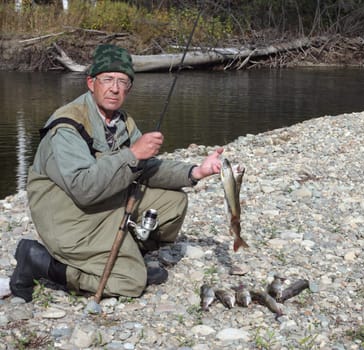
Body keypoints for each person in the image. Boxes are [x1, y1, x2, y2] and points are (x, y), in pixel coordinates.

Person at [9, 44, 223, 302]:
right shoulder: (66, 126)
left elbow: (147, 167)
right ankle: (40, 262)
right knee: (130, 283)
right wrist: (132, 154)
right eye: (107, 79)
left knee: (174, 203)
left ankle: (128, 253)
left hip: (104, 203)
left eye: (123, 81)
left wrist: (196, 171)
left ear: (129, 88)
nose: (115, 88)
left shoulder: (121, 122)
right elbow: (84, 189)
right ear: (91, 83)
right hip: (68, 216)